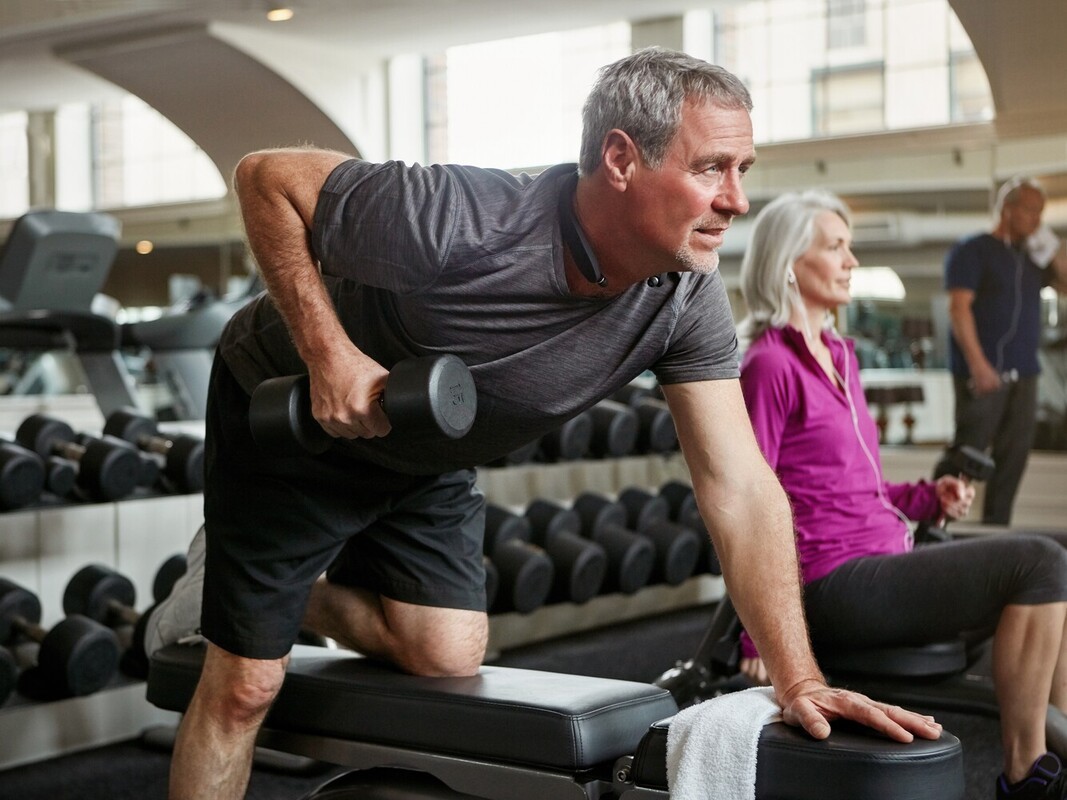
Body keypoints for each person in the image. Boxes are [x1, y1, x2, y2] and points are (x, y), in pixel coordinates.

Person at [146, 49, 941, 800]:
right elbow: (265, 178)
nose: (735, 198)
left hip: (428, 448)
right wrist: (328, 355)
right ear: (622, 159)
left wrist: (794, 675)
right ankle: (243, 605)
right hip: (292, 420)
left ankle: (249, 588)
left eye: (742, 170)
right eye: (710, 168)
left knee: (445, 651)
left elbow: (738, 483)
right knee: (247, 683)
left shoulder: (683, 299)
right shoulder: (460, 217)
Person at [736, 188, 1067, 800]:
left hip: (885, 560)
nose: (851, 261)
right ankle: (1025, 774)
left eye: (849, 247)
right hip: (831, 582)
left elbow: (858, 484)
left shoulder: (841, 357)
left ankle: (1055, 748)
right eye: (835, 247)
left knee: (1050, 562)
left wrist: (925, 497)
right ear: (788, 262)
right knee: (1040, 561)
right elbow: (745, 502)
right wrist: (758, 636)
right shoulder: (769, 366)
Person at [934, 176, 1067, 524]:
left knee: (1013, 459)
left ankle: (995, 532)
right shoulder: (973, 249)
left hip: (1025, 376)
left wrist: (1050, 247)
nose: (1037, 219)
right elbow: (958, 309)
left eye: (1041, 212)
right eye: (1030, 210)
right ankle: (931, 526)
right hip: (982, 372)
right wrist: (978, 365)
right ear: (1008, 210)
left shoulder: (1032, 259)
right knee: (967, 453)